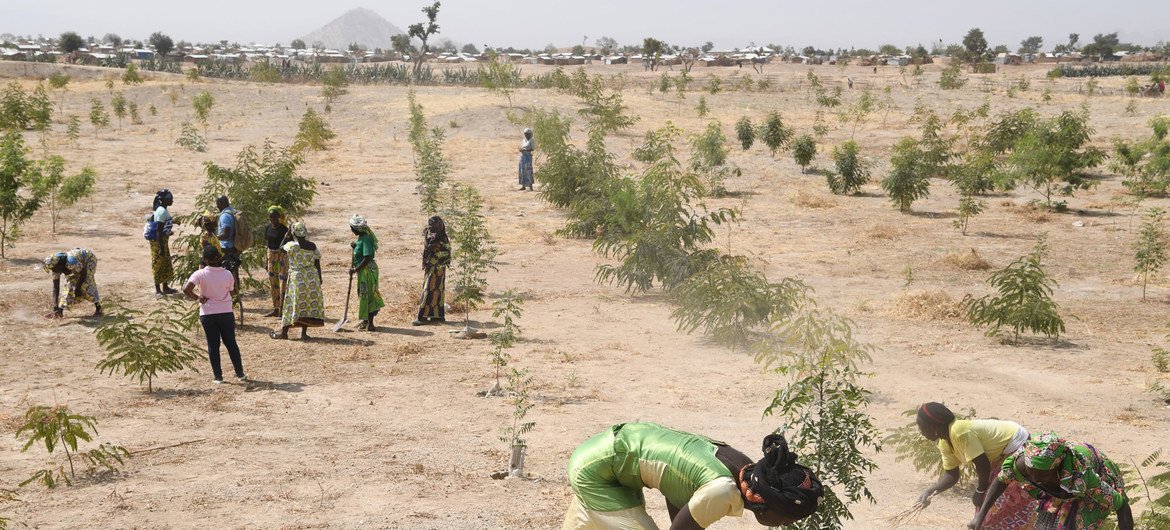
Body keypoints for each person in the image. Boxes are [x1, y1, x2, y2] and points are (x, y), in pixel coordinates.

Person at [562, 422, 823, 529]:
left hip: (606, 454)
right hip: (598, 471)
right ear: (768, 507)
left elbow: (675, 486)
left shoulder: (743, 467)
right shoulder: (722, 490)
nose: (787, 525)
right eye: (788, 519)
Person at [969, 432, 1133, 530]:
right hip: (1062, 485)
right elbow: (1001, 481)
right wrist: (981, 515)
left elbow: (1121, 505)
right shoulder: (1021, 464)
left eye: (1041, 476)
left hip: (1092, 479)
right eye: (1031, 474)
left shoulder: (1082, 477)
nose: (1035, 480)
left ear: (1057, 469)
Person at [915, 402, 1034, 529]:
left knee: (999, 503)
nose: (921, 432)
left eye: (922, 427)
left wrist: (980, 490)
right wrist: (930, 491)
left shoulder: (959, 431)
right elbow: (951, 475)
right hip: (1000, 453)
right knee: (985, 505)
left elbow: (982, 465)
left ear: (934, 426)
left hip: (1016, 444)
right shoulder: (944, 443)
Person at [183, 246, 248, 384]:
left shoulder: (200, 273)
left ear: (205, 260)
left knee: (213, 345)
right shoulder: (227, 274)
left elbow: (186, 289)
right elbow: (232, 291)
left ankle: (218, 377)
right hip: (226, 312)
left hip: (208, 313)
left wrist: (198, 298)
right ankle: (240, 374)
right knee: (231, 343)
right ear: (219, 257)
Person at [271, 222, 324, 340]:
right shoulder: (312, 245)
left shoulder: (292, 246)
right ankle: (303, 333)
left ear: (294, 232)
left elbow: (280, 248)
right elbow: (317, 262)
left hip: (297, 278)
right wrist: (319, 278)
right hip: (311, 278)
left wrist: (287, 234)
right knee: (306, 305)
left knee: (291, 304)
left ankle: (284, 333)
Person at [349, 214, 384, 331]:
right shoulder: (361, 237)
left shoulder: (366, 238)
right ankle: (365, 321)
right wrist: (355, 246)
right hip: (364, 271)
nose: (351, 230)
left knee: (368, 295)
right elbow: (361, 249)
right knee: (363, 294)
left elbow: (367, 256)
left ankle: (371, 323)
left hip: (367, 271)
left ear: (357, 228)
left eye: (352, 228)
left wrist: (355, 269)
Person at [43, 248, 101, 319]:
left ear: (59, 264)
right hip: (77, 266)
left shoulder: (71, 262)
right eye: (51, 269)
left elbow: (84, 273)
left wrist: (78, 288)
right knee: (69, 285)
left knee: (87, 283)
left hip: (88, 260)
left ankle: (99, 308)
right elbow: (55, 288)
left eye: (53, 268)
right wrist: (55, 307)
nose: (53, 270)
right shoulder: (55, 268)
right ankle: (59, 312)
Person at [413, 215, 450, 326]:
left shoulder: (437, 237)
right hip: (439, 268)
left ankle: (423, 317)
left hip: (434, 268)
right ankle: (437, 316)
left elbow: (429, 247)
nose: (429, 227)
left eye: (431, 225)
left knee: (428, 290)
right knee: (437, 291)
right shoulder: (442, 236)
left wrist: (426, 237)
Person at [262, 205, 289, 317]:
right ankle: (276, 308)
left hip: (282, 256)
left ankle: (283, 309)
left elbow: (288, 246)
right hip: (271, 255)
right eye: (270, 218)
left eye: (274, 217)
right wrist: (266, 260)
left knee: (283, 282)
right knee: (273, 282)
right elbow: (267, 244)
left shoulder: (285, 230)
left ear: (279, 217)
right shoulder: (268, 227)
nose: (272, 220)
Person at [149, 189, 177, 296]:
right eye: (169, 199)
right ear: (163, 200)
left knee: (165, 263)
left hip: (163, 242)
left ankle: (165, 287)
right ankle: (158, 290)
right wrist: (161, 248)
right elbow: (159, 231)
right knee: (158, 264)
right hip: (158, 243)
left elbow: (163, 226)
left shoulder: (162, 210)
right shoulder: (161, 212)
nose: (172, 200)